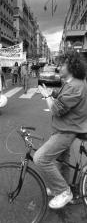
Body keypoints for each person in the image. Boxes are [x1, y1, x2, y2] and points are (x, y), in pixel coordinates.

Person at [34, 53, 87, 209]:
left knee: (40, 158)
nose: (58, 67)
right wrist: (52, 93)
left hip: (67, 131)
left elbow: (57, 110)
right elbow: (63, 97)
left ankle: (63, 191)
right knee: (61, 161)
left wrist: (46, 96)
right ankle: (62, 186)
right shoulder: (73, 83)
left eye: (62, 65)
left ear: (71, 66)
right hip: (64, 128)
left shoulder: (76, 86)